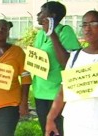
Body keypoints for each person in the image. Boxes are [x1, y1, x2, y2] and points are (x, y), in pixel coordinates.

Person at [32, 1, 81, 135]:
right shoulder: (40, 34)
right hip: (40, 91)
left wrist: (52, 34)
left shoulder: (65, 31)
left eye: (42, 11)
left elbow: (68, 63)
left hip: (57, 92)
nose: (38, 14)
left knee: (57, 130)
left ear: (51, 16)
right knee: (47, 131)